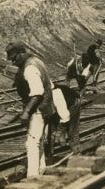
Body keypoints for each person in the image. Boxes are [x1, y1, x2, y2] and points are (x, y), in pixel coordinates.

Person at [6, 42, 56, 177]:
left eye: (15, 58)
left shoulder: (29, 68)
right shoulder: (36, 61)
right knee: (39, 140)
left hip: (38, 109)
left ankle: (32, 176)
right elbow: (49, 85)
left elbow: (38, 92)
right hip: (47, 108)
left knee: (32, 143)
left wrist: (26, 112)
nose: (14, 62)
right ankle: (41, 168)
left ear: (22, 53)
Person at [50, 84, 81, 153]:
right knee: (52, 131)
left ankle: (76, 154)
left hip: (73, 102)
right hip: (59, 105)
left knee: (72, 130)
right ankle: (50, 155)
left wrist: (59, 131)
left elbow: (65, 116)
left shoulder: (55, 93)